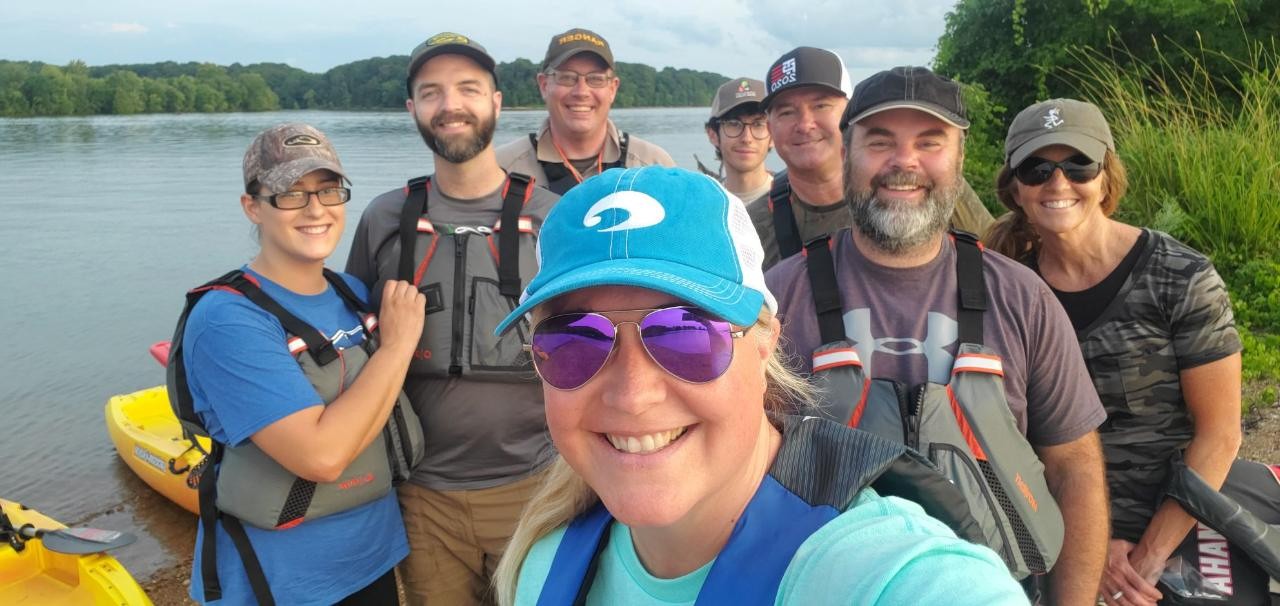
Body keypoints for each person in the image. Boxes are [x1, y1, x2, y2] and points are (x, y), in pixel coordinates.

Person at [488, 166, 1028, 605]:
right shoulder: (543, 564)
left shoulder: (883, 575)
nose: (632, 393)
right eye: (574, 342)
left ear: (766, 338)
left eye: (685, 334)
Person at [765, 68, 1111, 605]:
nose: (904, 163)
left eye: (930, 143)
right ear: (847, 153)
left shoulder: (1023, 297)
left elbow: (1076, 470)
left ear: (960, 158)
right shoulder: (777, 301)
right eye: (880, 142)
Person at [986, 99, 1253, 606]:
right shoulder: (1005, 291)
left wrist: (1145, 561)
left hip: (1174, 521)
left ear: (1106, 178)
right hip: (1053, 523)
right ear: (1015, 189)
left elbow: (1219, 434)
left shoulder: (1181, 277)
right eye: (1037, 169)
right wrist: (1088, 548)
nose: (1058, 183)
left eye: (1078, 165)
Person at [344, 33, 561, 606]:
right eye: (431, 92)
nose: (451, 105)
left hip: (539, 487)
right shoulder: (385, 219)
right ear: (412, 109)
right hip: (424, 498)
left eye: (468, 88)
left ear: (497, 101)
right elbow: (348, 343)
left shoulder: (552, 219)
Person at [171, 123, 425, 605]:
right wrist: (396, 347)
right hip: (280, 583)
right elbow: (321, 456)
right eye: (290, 193)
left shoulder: (351, 292)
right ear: (252, 206)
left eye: (328, 190)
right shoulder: (228, 320)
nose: (315, 209)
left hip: (373, 558)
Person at [747, 51, 994, 269]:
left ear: (850, 112)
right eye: (787, 112)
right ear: (769, 127)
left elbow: (1000, 257)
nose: (804, 124)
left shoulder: (924, 188)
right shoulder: (745, 227)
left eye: (821, 105)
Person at [495, 28, 674, 194]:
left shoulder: (655, 166)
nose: (581, 92)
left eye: (595, 79)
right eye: (567, 77)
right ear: (543, 85)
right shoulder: (500, 169)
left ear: (612, 89)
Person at [703, 77, 773, 201]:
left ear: (773, 135)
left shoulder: (796, 199)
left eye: (758, 125)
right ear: (713, 134)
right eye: (734, 124)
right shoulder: (703, 204)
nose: (747, 138)